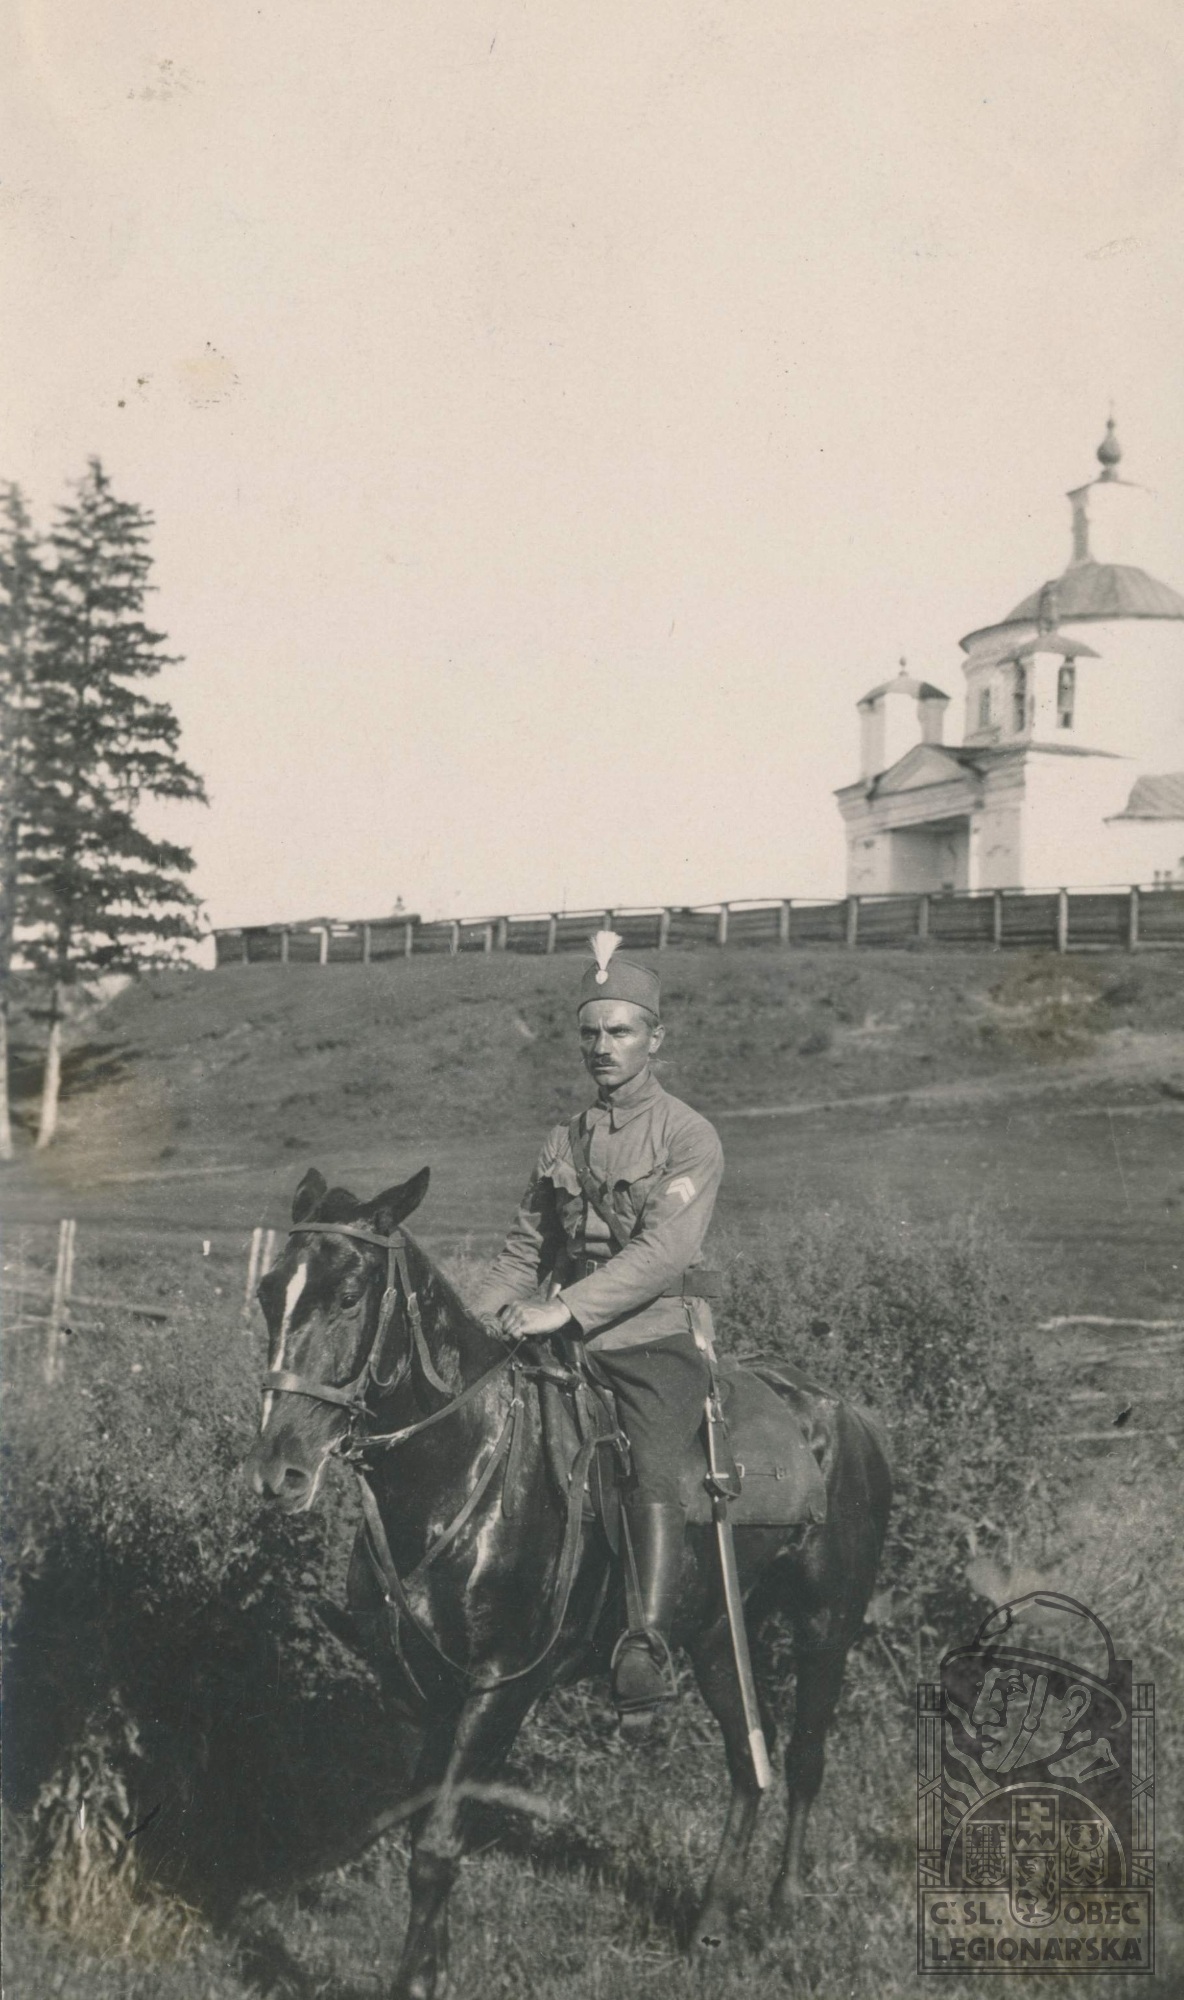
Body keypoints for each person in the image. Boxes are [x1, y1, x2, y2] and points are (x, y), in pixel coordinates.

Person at [474, 932, 724, 1722]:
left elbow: (662, 1251)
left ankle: (645, 1643)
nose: (602, 1048)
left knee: (651, 1463)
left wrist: (566, 1307)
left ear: (656, 1037)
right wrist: (473, 1325)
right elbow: (523, 1251)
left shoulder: (688, 1136)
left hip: (652, 1337)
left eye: (620, 1032)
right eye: (590, 1033)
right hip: (565, 1339)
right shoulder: (564, 1140)